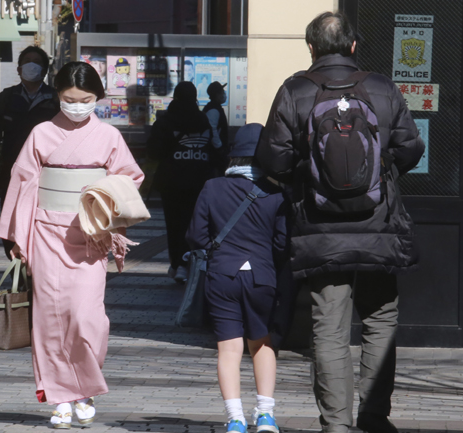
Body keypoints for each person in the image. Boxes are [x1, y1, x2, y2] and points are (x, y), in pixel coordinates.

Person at [255, 12, 425, 433]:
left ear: (311, 47)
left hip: (320, 231)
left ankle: (335, 425)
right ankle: (374, 417)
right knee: (380, 320)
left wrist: (309, 177)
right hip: (379, 227)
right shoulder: (381, 87)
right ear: (353, 45)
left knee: (329, 329)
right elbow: (410, 148)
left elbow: (272, 159)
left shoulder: (295, 90)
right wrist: (381, 172)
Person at [0, 61, 144, 428]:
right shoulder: (41, 133)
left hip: (90, 232)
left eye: (85, 99)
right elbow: (23, 182)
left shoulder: (109, 136)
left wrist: (103, 199)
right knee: (49, 316)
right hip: (46, 232)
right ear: (58, 96)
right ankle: (59, 396)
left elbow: (130, 177)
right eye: (70, 99)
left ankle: (84, 389)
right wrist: (18, 236)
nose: (77, 106)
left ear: (98, 98)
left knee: (87, 316)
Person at [187, 123, 288, 433]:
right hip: (261, 277)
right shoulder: (276, 194)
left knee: (229, 350)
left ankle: (235, 419)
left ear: (234, 156)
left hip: (222, 276)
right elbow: (282, 243)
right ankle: (266, 416)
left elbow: (196, 236)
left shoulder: (212, 187)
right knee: (262, 344)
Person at [0, 46, 60, 258]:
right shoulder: (6, 97)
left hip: (47, 172)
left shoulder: (56, 99)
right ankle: (16, 262)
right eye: (27, 61)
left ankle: (39, 263)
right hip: (12, 170)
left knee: (43, 218)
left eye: (37, 62)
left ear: (45, 70)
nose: (32, 65)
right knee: (12, 217)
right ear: (19, 69)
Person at [147, 82, 228, 283]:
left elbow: (154, 152)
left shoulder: (165, 122)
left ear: (175, 97)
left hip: (171, 182)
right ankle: (190, 261)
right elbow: (213, 149)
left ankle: (177, 264)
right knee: (195, 222)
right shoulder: (203, 120)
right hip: (199, 180)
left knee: (174, 224)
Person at [202, 81, 228, 150]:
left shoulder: (214, 107)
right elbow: (212, 130)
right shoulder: (213, 110)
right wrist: (219, 147)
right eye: (222, 92)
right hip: (214, 151)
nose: (223, 94)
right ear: (217, 95)